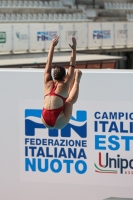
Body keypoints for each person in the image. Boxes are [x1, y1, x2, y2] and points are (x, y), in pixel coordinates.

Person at [41, 35, 82, 129]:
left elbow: (48, 63)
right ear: (64, 76)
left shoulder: (47, 80)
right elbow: (72, 65)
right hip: (58, 120)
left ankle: (75, 82)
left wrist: (52, 46)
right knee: (69, 101)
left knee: (64, 97)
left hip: (44, 119)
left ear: (53, 74)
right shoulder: (65, 82)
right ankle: (78, 80)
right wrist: (74, 49)